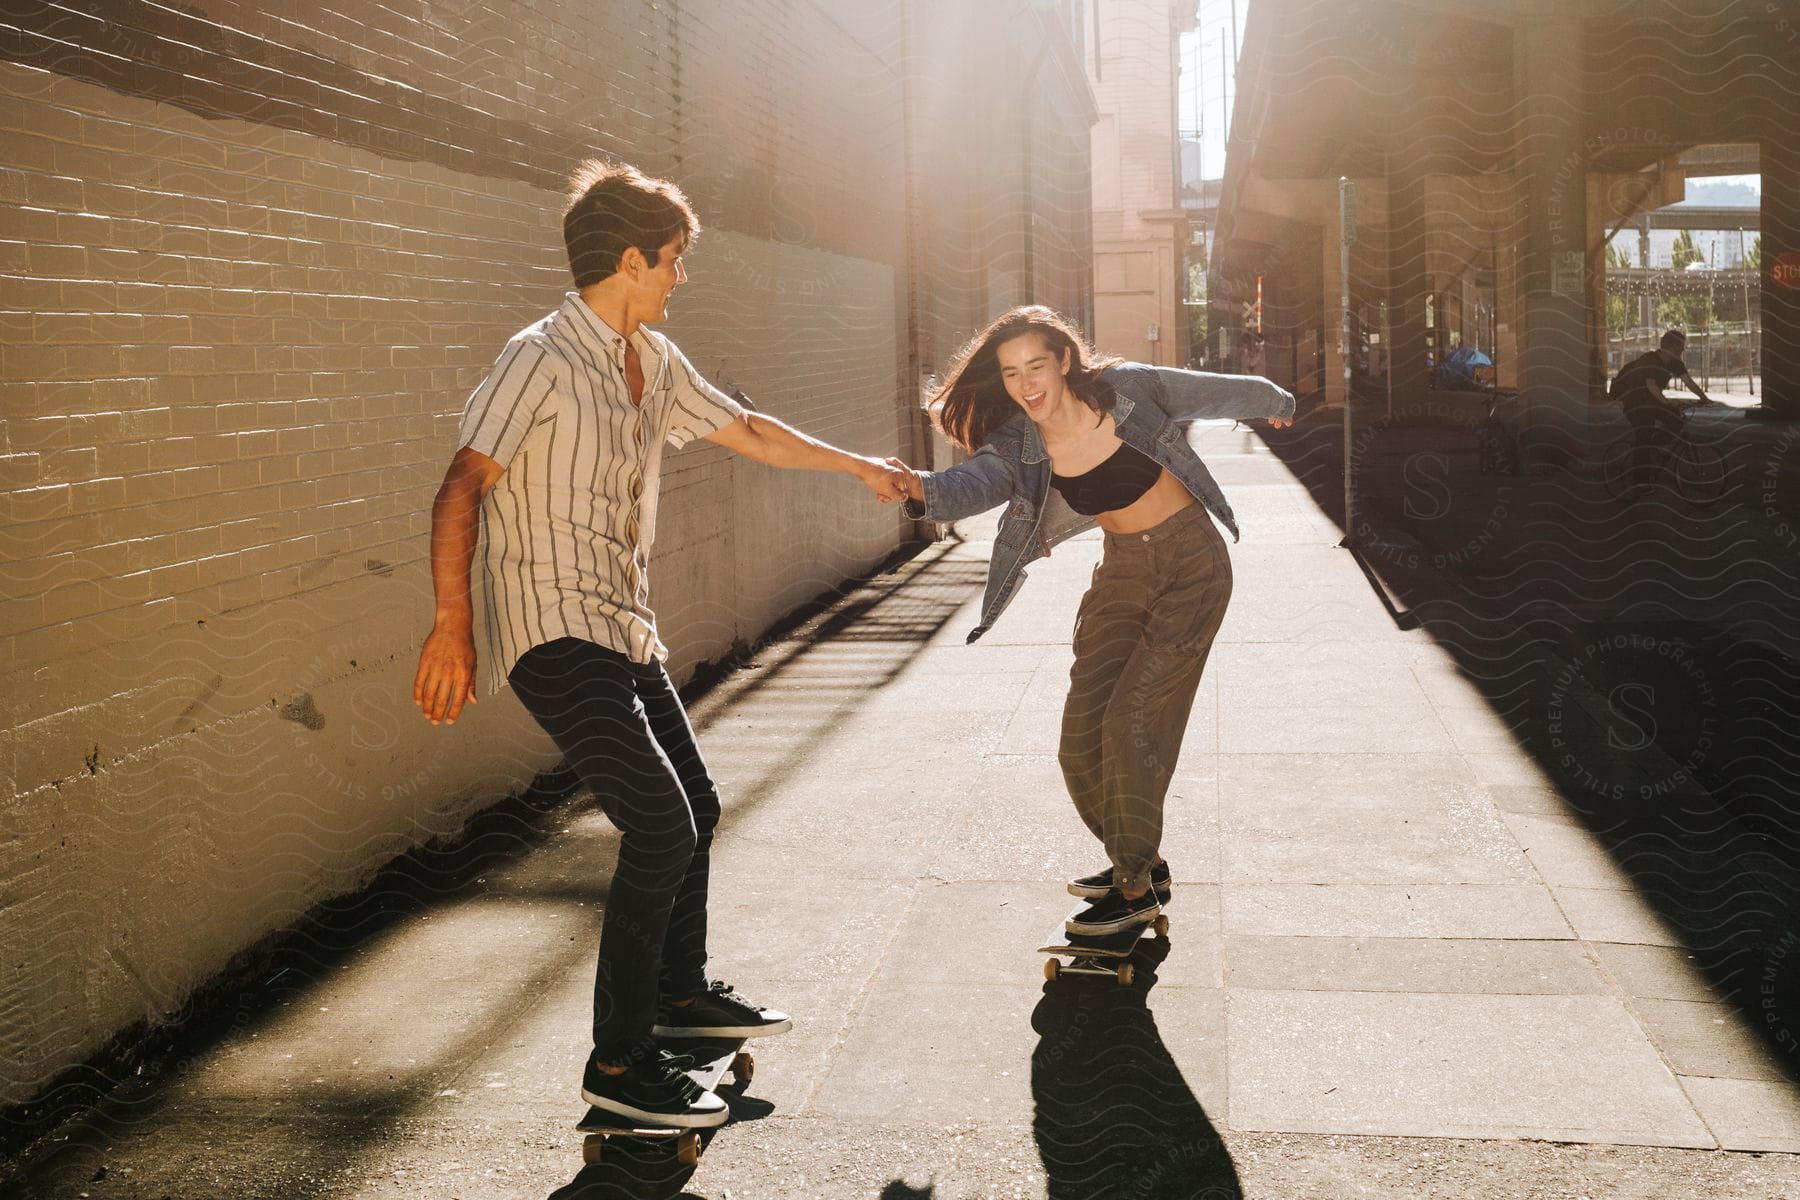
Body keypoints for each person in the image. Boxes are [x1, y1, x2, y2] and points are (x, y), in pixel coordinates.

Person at [412, 160, 908, 1128]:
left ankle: (682, 1002)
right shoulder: (541, 357)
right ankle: (620, 1063)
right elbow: (462, 482)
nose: (683, 277)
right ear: (633, 261)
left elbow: (749, 430)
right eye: (676, 261)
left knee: (699, 806)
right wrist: (451, 623)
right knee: (661, 821)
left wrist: (857, 467)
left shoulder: (651, 361)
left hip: (622, 629)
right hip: (552, 631)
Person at [885, 306, 1294, 937]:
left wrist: (1272, 397)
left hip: (1192, 566)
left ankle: (1132, 891)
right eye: (1012, 372)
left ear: (1065, 362)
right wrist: (915, 487)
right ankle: (1141, 861)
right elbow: (965, 487)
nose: (1026, 384)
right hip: (1121, 576)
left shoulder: (1126, 389)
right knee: (1079, 743)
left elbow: (1205, 390)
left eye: (1037, 366)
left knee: (1134, 723)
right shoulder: (1019, 444)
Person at [1611, 329, 1710, 490]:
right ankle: (1640, 482)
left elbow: (1689, 382)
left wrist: (1704, 398)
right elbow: (1651, 386)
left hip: (1651, 401)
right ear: (1672, 346)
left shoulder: (1675, 362)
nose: (1683, 349)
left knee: (1677, 421)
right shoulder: (1650, 360)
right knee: (1644, 438)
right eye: (1681, 346)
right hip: (1634, 403)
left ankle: (1652, 448)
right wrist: (1667, 402)